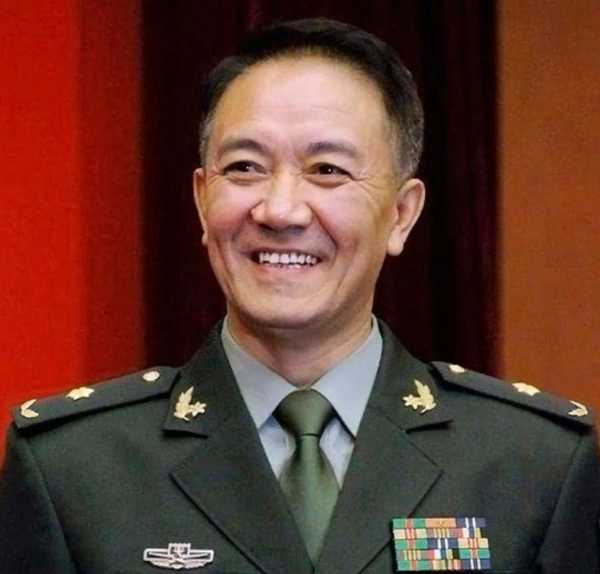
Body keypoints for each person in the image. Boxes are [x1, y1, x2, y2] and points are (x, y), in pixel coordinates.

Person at [1, 18, 598, 574]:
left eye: (327, 170)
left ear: (401, 214)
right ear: (202, 202)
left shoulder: (532, 462)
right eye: (244, 167)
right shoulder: (73, 468)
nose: (280, 210)